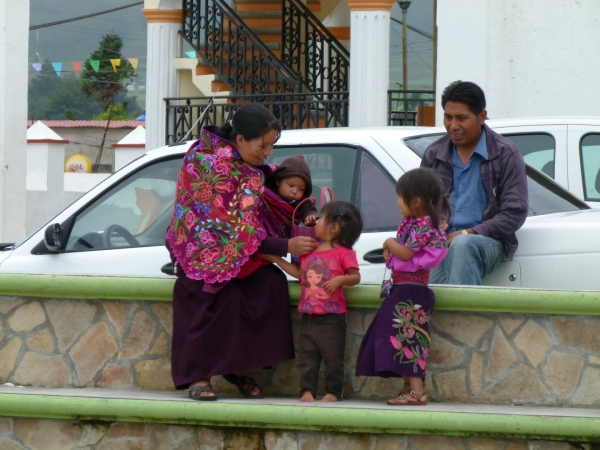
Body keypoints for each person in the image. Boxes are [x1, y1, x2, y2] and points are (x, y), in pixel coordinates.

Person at [165, 104, 318, 401]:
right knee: (221, 295)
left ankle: (238, 367)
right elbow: (228, 229)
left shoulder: (251, 167)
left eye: (272, 145)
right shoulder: (208, 162)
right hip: (200, 251)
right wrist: (284, 246)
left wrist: (308, 208)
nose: (267, 152)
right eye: (263, 145)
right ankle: (200, 375)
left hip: (239, 254)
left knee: (269, 284)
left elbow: (282, 181)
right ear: (240, 140)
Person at [355, 168, 449, 406]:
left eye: (400, 196)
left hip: (410, 292)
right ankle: (409, 387)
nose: (397, 201)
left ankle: (417, 392)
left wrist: (389, 242)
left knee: (410, 339)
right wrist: (393, 249)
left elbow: (406, 252)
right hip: (405, 289)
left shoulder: (423, 224)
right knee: (400, 336)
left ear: (416, 200)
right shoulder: (415, 223)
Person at [420, 80, 528, 285]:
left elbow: (515, 213)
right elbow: (420, 205)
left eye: (461, 118)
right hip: (442, 241)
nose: (453, 126)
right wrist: (434, 223)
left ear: (482, 117)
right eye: (448, 117)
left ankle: (463, 317)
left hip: (488, 240)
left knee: (462, 245)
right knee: (430, 296)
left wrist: (468, 233)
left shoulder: (505, 153)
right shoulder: (434, 154)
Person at [265, 201, 363, 402]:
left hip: (333, 318)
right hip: (309, 316)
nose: (316, 222)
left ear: (335, 227)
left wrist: (340, 279)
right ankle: (306, 390)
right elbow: (300, 273)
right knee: (307, 358)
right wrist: (277, 260)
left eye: (321, 218)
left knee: (333, 358)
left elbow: (355, 277)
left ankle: (333, 391)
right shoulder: (310, 250)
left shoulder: (345, 253)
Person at [265, 155, 318, 226]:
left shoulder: (301, 203)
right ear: (278, 181)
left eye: (301, 189)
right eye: (291, 186)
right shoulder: (267, 193)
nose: (295, 191)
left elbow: (308, 209)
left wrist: (310, 217)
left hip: (289, 236)